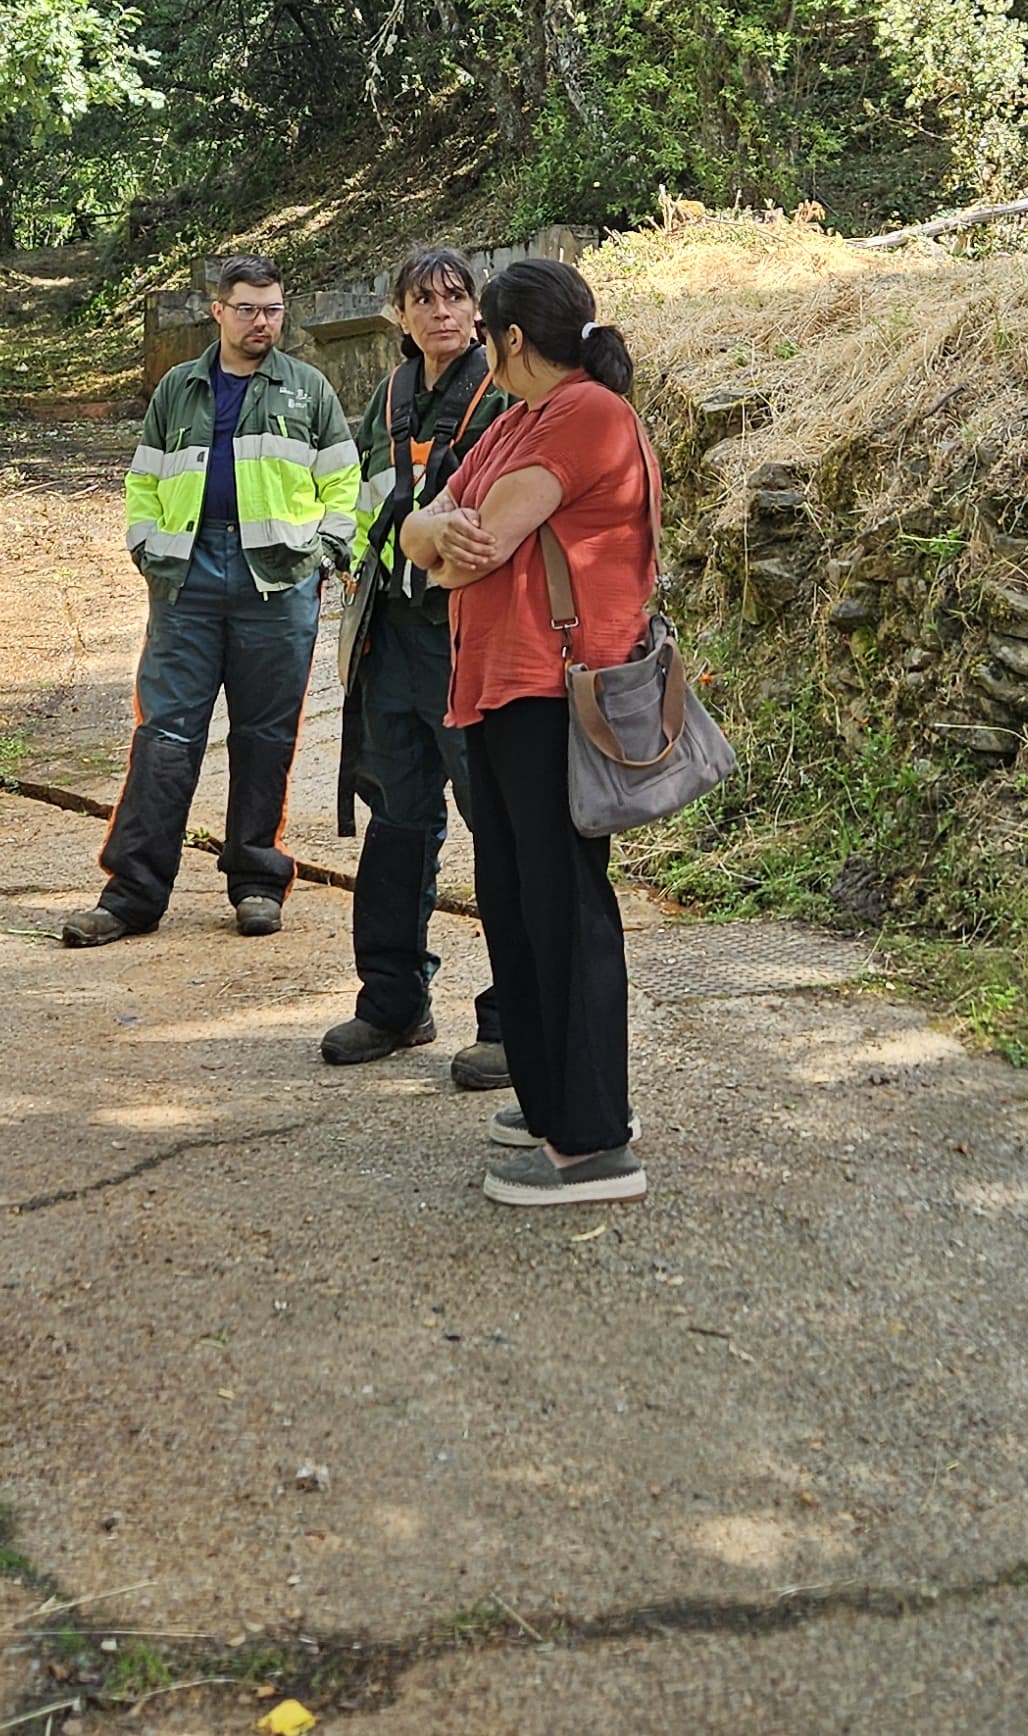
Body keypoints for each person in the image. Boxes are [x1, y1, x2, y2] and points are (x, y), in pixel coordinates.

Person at [403, 256, 653, 1208]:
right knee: (514, 903)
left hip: (552, 692)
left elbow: (475, 551)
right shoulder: (511, 424)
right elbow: (419, 536)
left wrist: (445, 539)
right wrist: (436, 534)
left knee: (564, 909)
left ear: (509, 338)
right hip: (494, 695)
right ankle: (554, 1103)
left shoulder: (591, 414)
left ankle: (593, 1144)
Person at [70, 254, 359, 947]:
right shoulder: (179, 389)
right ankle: (133, 895)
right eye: (249, 309)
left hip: (277, 584)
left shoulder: (307, 390)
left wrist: (322, 556)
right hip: (188, 583)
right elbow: (145, 478)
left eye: (274, 310)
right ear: (218, 311)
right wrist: (148, 546)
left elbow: (344, 483)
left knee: (265, 739)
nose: (263, 323)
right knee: (165, 737)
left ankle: (257, 882)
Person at [322, 247, 511, 1081]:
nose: (441, 312)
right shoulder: (388, 398)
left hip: (468, 641)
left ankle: (514, 1019)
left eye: (455, 297)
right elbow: (367, 507)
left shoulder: (504, 394)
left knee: (502, 828)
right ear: (398, 315)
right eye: (422, 300)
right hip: (391, 642)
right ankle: (393, 1003)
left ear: (477, 310)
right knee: (398, 826)